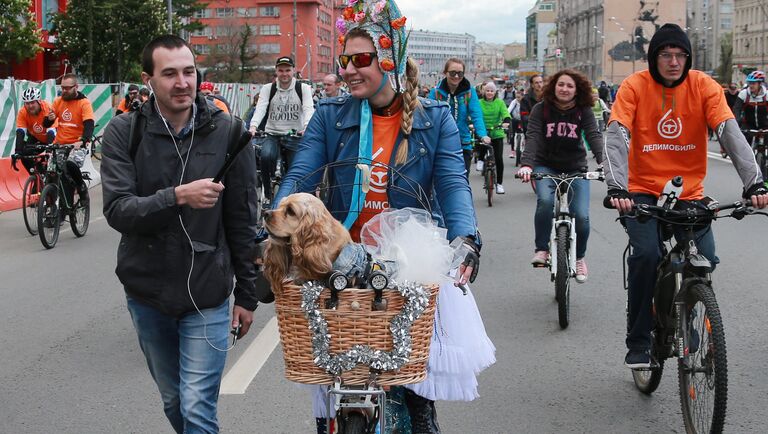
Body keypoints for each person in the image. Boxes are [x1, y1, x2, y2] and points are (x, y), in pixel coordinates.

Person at [274, 2, 494, 432]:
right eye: (345, 60)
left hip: (407, 264)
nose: (351, 70)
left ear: (389, 59)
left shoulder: (435, 119)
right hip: (337, 263)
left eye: (362, 59)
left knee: (414, 395)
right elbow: (300, 176)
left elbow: (452, 185)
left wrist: (466, 237)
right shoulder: (328, 116)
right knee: (334, 377)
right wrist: (280, 227)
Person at [100, 34, 261, 433]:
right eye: (169, 73)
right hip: (147, 292)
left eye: (188, 71)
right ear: (148, 79)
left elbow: (242, 219)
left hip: (207, 293)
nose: (182, 82)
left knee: (197, 407)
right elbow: (118, 211)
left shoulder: (230, 132)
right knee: (175, 402)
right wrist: (177, 197)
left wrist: (247, 295)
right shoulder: (123, 132)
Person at [603, 24, 768, 369]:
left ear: (688, 58)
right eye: (666, 55)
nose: (674, 62)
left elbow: (729, 131)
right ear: (654, 57)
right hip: (641, 192)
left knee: (705, 257)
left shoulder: (704, 86)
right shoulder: (635, 86)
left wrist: (754, 183)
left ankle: (689, 315)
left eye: (680, 55)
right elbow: (616, 134)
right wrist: (617, 186)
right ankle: (639, 340)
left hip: (688, 193)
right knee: (646, 255)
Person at [516, 69, 605, 283]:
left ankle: (579, 257)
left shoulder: (584, 111)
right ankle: (541, 250)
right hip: (545, 166)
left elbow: (593, 135)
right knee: (545, 202)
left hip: (576, 168)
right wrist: (527, 165)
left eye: (570, 86)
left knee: (581, 216)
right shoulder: (541, 109)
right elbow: (534, 136)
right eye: (561, 84)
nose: (564, 89)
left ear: (577, 90)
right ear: (554, 86)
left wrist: (605, 163)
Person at [248, 56, 315, 203]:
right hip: (272, 133)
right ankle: (267, 193)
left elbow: (308, 109)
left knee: (295, 169)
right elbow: (260, 109)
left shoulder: (303, 88)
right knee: (265, 156)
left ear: (293, 71)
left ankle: (294, 198)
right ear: (276, 72)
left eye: (288, 70)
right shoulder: (268, 89)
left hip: (294, 135)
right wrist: (253, 126)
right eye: (281, 70)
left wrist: (306, 127)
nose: (284, 74)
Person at [428, 58, 490, 175]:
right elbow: (428, 117)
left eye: (460, 73)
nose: (456, 76)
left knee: (462, 180)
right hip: (440, 143)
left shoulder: (469, 92)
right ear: (445, 73)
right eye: (452, 73)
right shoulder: (435, 93)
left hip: (462, 143)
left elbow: (476, 115)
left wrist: (482, 135)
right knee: (437, 181)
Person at [53, 73, 94, 204]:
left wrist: (83, 140)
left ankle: (81, 187)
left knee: (71, 164)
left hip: (77, 144)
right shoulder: (58, 101)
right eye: (62, 88)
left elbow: (89, 123)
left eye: (67, 88)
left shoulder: (84, 103)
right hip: (60, 144)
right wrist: (48, 120)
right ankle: (56, 208)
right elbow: (47, 123)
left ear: (76, 87)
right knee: (54, 173)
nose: (64, 91)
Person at [477, 81, 511, 193]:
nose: (489, 93)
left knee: (499, 159)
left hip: (497, 132)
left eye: (492, 91)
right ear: (484, 92)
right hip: (483, 130)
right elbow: (475, 114)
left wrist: (506, 121)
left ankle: (500, 184)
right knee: (481, 142)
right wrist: (472, 122)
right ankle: (480, 160)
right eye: (487, 90)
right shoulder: (479, 102)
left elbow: (505, 113)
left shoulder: (499, 103)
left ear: (495, 92)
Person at [14, 88, 57, 174]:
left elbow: (51, 132)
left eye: (32, 102)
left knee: (52, 162)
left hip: (53, 136)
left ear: (39, 101)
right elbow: (20, 132)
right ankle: (36, 179)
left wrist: (49, 151)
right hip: (36, 137)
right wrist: (17, 152)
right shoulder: (23, 112)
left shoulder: (47, 108)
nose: (30, 106)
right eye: (27, 103)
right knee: (24, 154)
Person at [732, 71, 768, 146]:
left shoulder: (767, 94)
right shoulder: (744, 94)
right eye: (750, 83)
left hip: (765, 124)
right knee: (744, 145)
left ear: (760, 84)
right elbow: (737, 108)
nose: (751, 86)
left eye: (753, 83)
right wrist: (737, 121)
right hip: (748, 125)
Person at [507, 88, 524, 158]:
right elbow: (509, 109)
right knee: (512, 134)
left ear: (522, 96)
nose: (517, 99)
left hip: (523, 120)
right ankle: (512, 151)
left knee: (526, 134)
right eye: (516, 97)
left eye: (519, 97)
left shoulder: (525, 102)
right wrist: (506, 116)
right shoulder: (514, 102)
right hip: (515, 119)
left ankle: (525, 150)